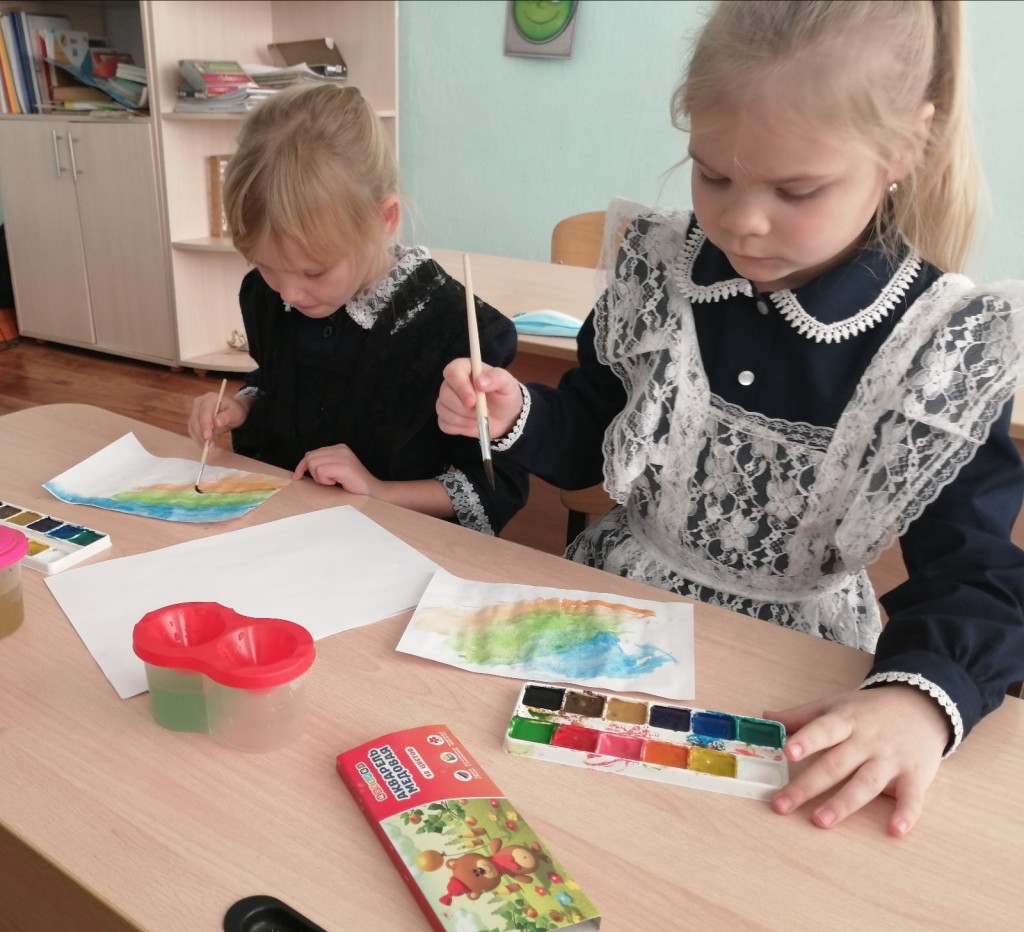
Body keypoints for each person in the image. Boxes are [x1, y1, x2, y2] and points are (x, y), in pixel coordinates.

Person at [438, 0, 1024, 835]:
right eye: (712, 175)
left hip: (796, 667)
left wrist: (920, 702)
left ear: (904, 147)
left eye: (796, 190)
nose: (742, 222)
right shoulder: (659, 271)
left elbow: (976, 570)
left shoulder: (943, 346)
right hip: (616, 617)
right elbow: (595, 442)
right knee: (558, 822)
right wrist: (517, 411)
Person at [188, 84, 527, 535]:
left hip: (395, 545)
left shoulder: (459, 332)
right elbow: (278, 379)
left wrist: (376, 491)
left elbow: (492, 488)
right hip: (275, 529)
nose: (288, 293)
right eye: (265, 266)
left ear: (384, 219)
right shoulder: (266, 296)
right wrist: (243, 406)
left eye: (314, 271)